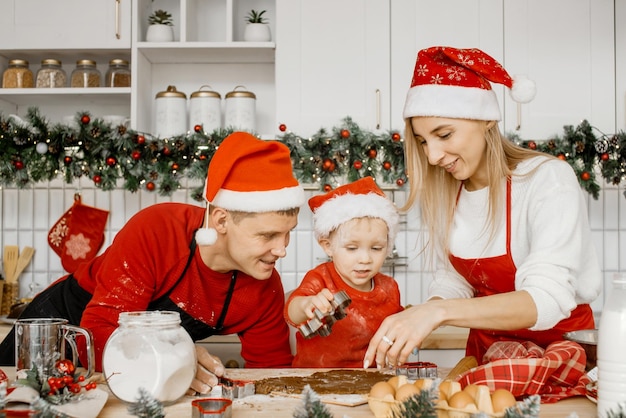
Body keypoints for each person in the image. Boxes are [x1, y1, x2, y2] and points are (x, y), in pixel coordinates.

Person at [0, 131, 306, 395]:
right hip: (61, 329)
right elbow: (101, 327)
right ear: (222, 220)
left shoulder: (264, 286)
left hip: (136, 369)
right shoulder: (158, 230)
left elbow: (271, 373)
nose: (281, 250)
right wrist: (176, 357)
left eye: (287, 234)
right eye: (267, 235)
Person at [363, 46, 601, 370]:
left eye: (444, 134)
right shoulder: (450, 191)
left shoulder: (548, 181)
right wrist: (424, 312)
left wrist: (437, 313)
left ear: (486, 119)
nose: (432, 156)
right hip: (485, 363)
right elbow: (452, 282)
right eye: (422, 141)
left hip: (560, 361)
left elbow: (545, 301)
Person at [285, 176, 403, 367]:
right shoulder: (321, 278)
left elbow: (398, 330)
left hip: (369, 380)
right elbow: (292, 312)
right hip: (315, 380)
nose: (365, 259)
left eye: (376, 248)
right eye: (352, 248)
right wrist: (307, 304)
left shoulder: (390, 288)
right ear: (328, 246)